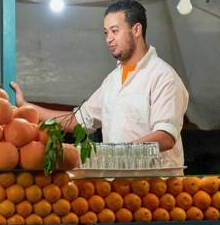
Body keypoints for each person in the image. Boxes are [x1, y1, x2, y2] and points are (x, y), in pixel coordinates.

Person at [10, 0, 189, 167]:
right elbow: (77, 121)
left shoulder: (163, 76)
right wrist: (27, 107)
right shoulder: (112, 81)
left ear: (136, 30)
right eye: (106, 32)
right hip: (117, 186)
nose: (109, 39)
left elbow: (166, 136)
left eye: (115, 30)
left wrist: (112, 154)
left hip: (158, 189)